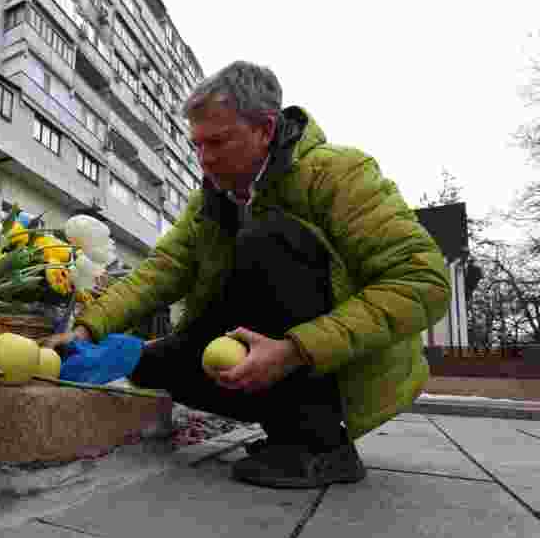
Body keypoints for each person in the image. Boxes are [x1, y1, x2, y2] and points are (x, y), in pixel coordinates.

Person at [46, 61, 452, 489]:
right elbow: (161, 270)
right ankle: (284, 425)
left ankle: (320, 444)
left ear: (264, 128)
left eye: (217, 142)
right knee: (147, 367)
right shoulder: (213, 200)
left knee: (269, 237)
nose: (205, 160)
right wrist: (88, 330)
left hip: (344, 369)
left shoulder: (339, 174)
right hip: (261, 357)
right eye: (197, 146)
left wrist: (295, 350)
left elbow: (422, 282)